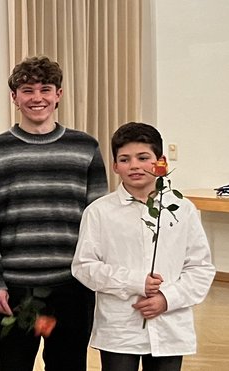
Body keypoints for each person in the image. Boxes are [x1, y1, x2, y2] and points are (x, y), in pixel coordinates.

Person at [0, 55, 109, 370]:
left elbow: (99, 222)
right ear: (14, 97)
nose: (37, 98)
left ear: (59, 94)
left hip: (72, 285)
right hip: (14, 288)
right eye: (27, 90)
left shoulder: (86, 148)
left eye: (45, 89)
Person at [72, 122, 215, 371]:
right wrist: (135, 282)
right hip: (119, 329)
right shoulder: (99, 212)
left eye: (143, 157)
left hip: (170, 324)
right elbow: (84, 267)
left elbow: (201, 268)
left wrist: (167, 298)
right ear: (115, 166)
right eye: (125, 159)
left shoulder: (182, 209)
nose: (135, 166)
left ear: (160, 162)